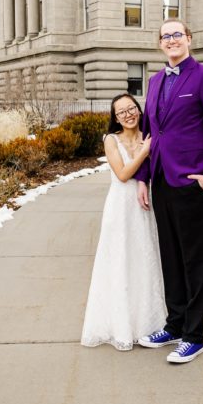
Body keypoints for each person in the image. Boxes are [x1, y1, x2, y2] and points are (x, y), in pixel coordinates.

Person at [136, 20, 203, 363]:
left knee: (195, 260)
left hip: (194, 182)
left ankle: (194, 335)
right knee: (171, 258)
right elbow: (149, 137)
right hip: (161, 181)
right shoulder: (154, 80)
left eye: (178, 34)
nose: (172, 40)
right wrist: (142, 178)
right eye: (166, 36)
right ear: (160, 44)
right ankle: (175, 324)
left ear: (189, 39)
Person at [80, 94, 166, 350]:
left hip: (143, 206)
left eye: (131, 108)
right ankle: (121, 325)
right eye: (121, 112)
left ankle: (147, 323)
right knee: (119, 260)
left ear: (139, 110)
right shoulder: (111, 140)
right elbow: (122, 173)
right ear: (115, 117)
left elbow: (151, 170)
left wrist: (145, 172)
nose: (128, 114)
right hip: (119, 208)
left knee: (144, 258)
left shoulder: (149, 134)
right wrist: (145, 151)